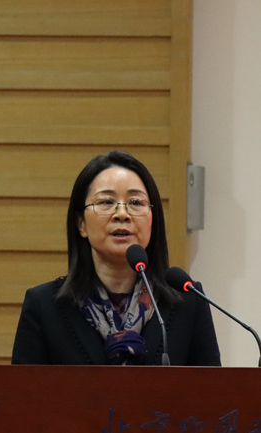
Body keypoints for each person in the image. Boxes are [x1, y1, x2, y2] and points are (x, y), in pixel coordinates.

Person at [11, 150, 220, 366]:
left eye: (136, 202)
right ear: (81, 224)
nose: (122, 214)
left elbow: (212, 386)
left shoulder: (189, 302)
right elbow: (22, 388)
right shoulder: (44, 306)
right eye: (107, 202)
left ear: (153, 219)